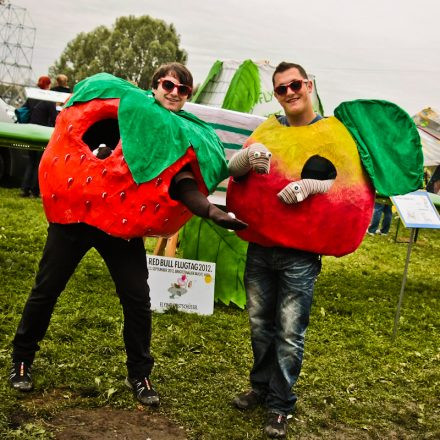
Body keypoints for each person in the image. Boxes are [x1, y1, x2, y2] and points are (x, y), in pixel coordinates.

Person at [9, 62, 246, 407]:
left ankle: (140, 374)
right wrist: (101, 154)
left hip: (121, 228)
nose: (174, 92)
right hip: (74, 219)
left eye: (183, 90)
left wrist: (211, 211)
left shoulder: (178, 132)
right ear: (155, 85)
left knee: (137, 300)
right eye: (168, 84)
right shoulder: (126, 108)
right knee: (46, 289)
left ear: (188, 96)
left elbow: (182, 183)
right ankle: (21, 360)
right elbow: (86, 141)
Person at [229, 62, 335, 438]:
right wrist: (247, 157)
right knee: (260, 326)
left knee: (290, 332)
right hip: (260, 244)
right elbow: (233, 171)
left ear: (308, 85)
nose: (289, 93)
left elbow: (344, 185)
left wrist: (312, 186)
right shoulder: (269, 128)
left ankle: (280, 404)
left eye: (294, 85)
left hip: (301, 254)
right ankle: (260, 387)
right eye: (280, 89)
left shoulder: (330, 133)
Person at [20, 76, 57, 197]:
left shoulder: (32, 97)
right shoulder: (49, 99)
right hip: (42, 134)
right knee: (39, 163)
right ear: (48, 85)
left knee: (31, 161)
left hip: (30, 131)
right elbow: (53, 118)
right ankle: (35, 190)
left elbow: (25, 110)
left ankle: (25, 189)